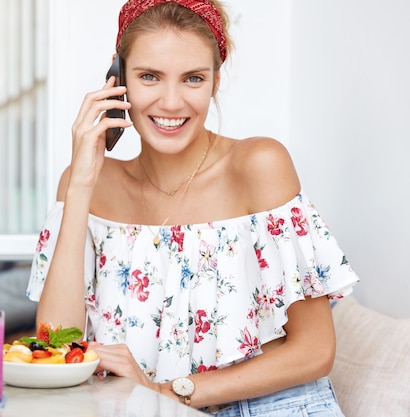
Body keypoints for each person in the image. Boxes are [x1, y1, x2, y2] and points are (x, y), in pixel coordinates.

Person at [27, 1, 359, 415]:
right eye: (149, 76)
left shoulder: (259, 166)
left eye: (193, 78)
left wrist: (168, 392)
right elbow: (56, 344)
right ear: (118, 80)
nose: (170, 102)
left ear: (215, 81)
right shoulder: (88, 185)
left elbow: (315, 351)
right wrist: (80, 184)